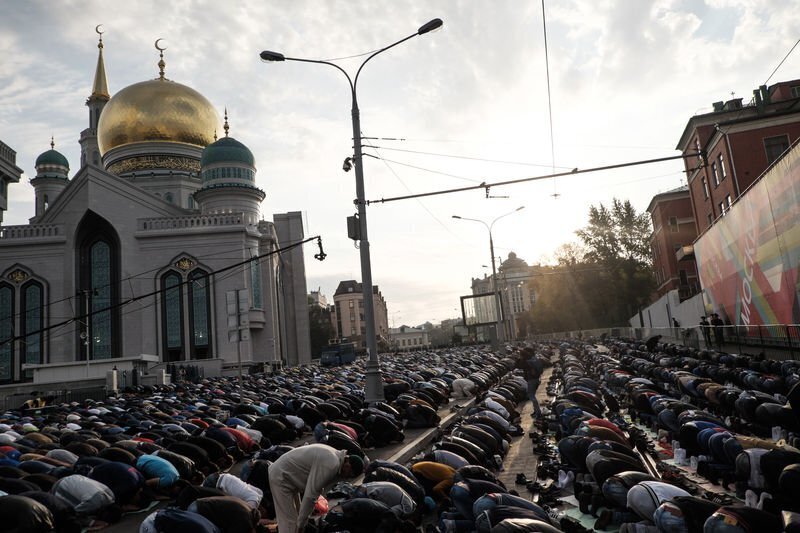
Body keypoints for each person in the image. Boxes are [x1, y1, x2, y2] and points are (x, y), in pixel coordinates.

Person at [268, 443, 364, 533]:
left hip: (290, 478)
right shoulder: (332, 464)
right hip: (281, 476)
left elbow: (317, 492)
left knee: (298, 519)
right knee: (289, 522)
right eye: (349, 475)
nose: (346, 478)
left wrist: (303, 521)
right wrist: (302, 525)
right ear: (348, 465)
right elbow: (311, 495)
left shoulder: (335, 457)